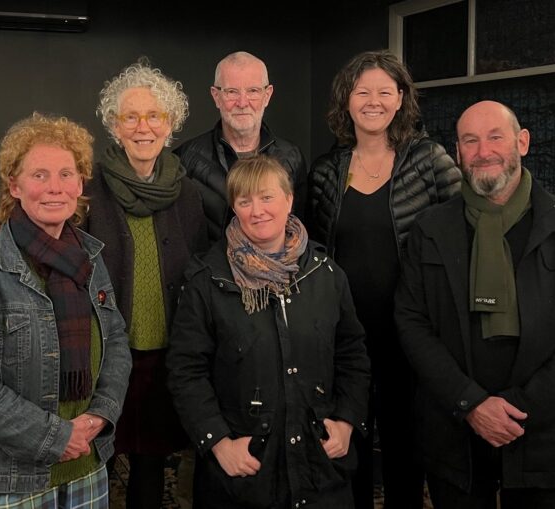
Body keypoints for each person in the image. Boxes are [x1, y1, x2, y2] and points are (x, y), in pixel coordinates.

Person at [395, 100, 555, 509]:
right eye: (470, 141)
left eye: (495, 137)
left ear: (523, 142)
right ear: (457, 152)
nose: (483, 151)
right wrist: (471, 403)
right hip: (454, 429)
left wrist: (520, 407)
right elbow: (411, 322)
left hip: (545, 431)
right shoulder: (430, 230)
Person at [0, 113, 132, 509]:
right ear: (14, 185)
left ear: (80, 184)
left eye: (65, 174)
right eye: (39, 175)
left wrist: (98, 417)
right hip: (4, 477)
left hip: (85, 463)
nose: (54, 187)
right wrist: (55, 437)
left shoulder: (90, 259)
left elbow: (116, 345)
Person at [166, 154, 371, 509]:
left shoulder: (325, 274)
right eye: (244, 201)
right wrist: (218, 443)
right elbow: (186, 371)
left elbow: (353, 355)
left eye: (267, 197)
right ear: (234, 207)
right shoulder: (207, 280)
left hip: (320, 467)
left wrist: (347, 422)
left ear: (289, 200)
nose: (257, 210)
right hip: (245, 470)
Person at [305, 49, 461, 509]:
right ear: (346, 101)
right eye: (362, 91)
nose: (373, 101)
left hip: (411, 331)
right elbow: (313, 252)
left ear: (400, 100)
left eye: (384, 92)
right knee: (346, 440)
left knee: (405, 443)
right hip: (343, 333)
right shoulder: (327, 170)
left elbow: (461, 236)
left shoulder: (430, 160)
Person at [90, 58, 208, 509]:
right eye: (130, 116)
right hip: (104, 357)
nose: (143, 127)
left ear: (171, 124)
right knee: (96, 460)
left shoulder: (189, 193)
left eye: (155, 115)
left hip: (165, 356)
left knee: (150, 465)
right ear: (114, 127)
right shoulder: (88, 189)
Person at [174, 51, 307, 244]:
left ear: (267, 95)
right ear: (216, 96)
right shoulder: (186, 159)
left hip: (275, 272)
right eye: (231, 92)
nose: (242, 103)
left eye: (253, 91)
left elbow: (299, 232)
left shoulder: (291, 158)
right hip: (208, 272)